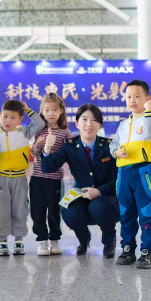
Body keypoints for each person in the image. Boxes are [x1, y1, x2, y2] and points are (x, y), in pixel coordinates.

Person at [42, 104, 119, 258]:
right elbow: (48, 167)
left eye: (94, 120)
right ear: (77, 123)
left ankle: (109, 240)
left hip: (107, 197)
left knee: (99, 206)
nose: (89, 124)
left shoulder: (109, 146)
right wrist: (47, 148)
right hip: (81, 194)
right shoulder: (69, 146)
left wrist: (99, 191)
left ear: (100, 125)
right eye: (84, 119)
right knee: (68, 210)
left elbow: (117, 178)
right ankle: (84, 240)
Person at [109, 80, 151, 269]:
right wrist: (116, 152)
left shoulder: (149, 119)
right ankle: (128, 248)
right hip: (123, 174)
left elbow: (149, 133)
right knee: (126, 214)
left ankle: (148, 251)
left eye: (137, 96)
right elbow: (113, 144)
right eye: (129, 96)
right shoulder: (123, 124)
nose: (132, 100)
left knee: (146, 213)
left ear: (147, 98)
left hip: (143, 173)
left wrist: (149, 111)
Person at [0, 100, 45, 256]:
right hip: (1, 179)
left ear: (20, 119)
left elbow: (40, 123)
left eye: (13, 118)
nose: (8, 121)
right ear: (0, 116)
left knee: (20, 209)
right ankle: (2, 241)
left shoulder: (24, 133)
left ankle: (19, 240)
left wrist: (27, 109)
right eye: (5, 116)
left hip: (20, 179)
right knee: (1, 210)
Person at [30, 93, 71, 256]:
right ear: (42, 112)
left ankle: (54, 239)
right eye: (47, 110)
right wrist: (39, 144)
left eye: (54, 109)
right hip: (37, 178)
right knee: (37, 211)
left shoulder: (65, 133)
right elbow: (34, 153)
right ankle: (42, 241)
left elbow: (68, 155)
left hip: (55, 179)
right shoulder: (39, 131)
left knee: (54, 211)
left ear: (61, 111)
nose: (51, 113)